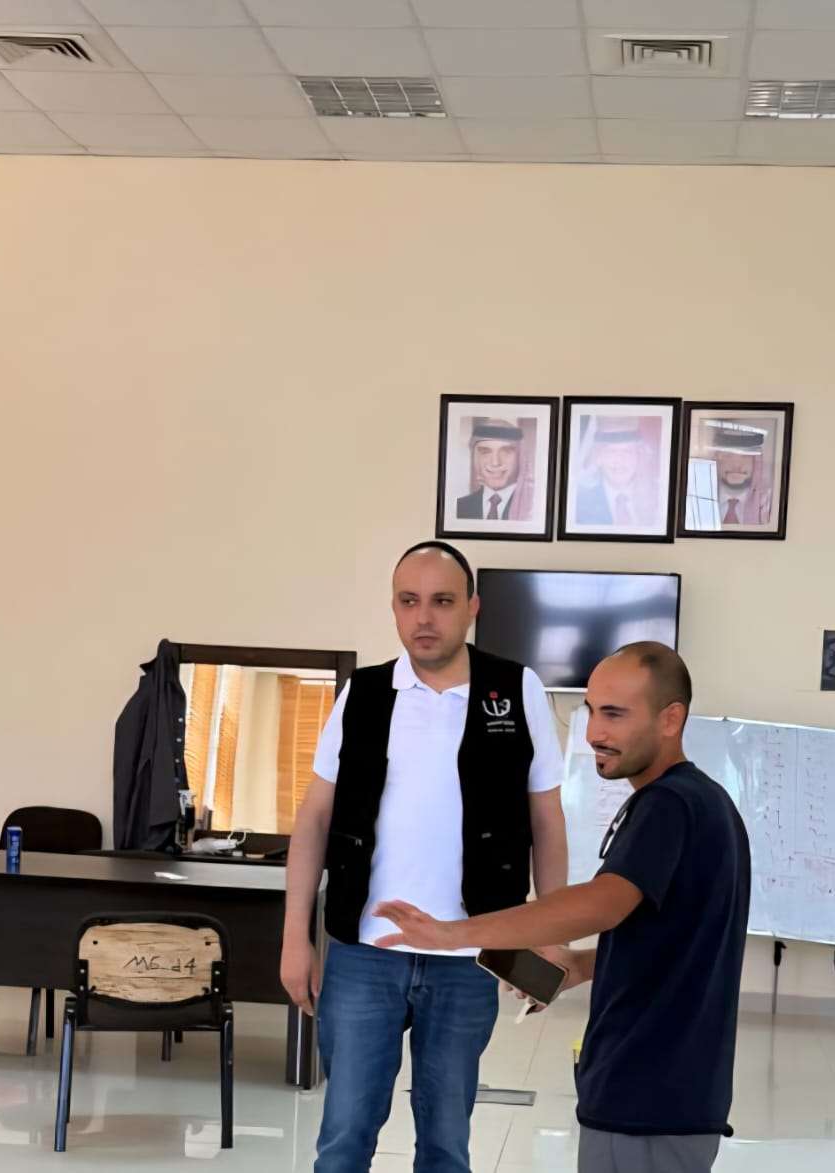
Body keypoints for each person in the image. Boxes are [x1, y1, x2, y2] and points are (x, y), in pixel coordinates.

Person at [373, 642, 750, 1173]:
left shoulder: (668, 804)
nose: (594, 732)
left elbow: (602, 903)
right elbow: (678, 937)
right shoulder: (703, 802)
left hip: (646, 1097)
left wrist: (453, 933)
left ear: (671, 719)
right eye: (590, 711)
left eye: (614, 714)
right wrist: (579, 966)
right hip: (672, 1094)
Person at [280, 540, 569, 1173]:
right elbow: (315, 819)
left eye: (441, 601)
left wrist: (551, 937)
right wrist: (295, 939)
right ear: (393, 608)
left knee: (445, 1142)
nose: (424, 618)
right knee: (344, 1138)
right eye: (409, 602)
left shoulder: (515, 689)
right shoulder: (363, 693)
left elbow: (546, 821)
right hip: (365, 954)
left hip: (470, 955)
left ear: (472, 607)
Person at [574, 418, 656, 528]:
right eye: (611, 451)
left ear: (639, 456)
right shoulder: (579, 503)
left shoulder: (659, 499)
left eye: (627, 451)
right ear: (598, 457)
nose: (619, 460)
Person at [702, 421, 772, 527]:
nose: (736, 465)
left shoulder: (769, 504)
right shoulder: (698, 498)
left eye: (745, 456)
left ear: (756, 462)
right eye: (728, 454)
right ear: (716, 458)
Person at [455, 418, 526, 521]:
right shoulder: (459, 508)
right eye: (485, 452)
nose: (495, 462)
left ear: (521, 456)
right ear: (473, 456)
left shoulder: (531, 509)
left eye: (506, 451)